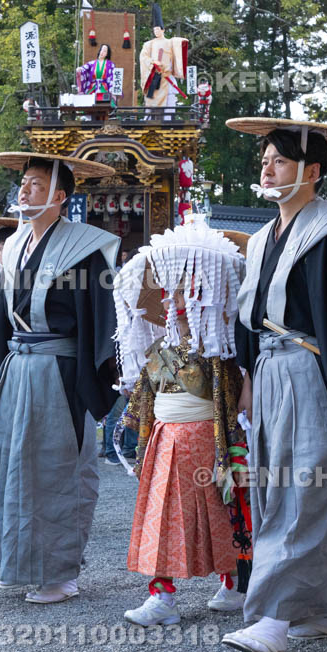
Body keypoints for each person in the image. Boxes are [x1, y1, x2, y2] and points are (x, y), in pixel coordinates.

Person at [221, 118, 327, 652]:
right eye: (265, 160)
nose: (266, 168)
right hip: (271, 372)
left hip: (314, 371)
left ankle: (273, 616)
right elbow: (251, 317)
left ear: (312, 172)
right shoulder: (265, 237)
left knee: (310, 486)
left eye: (279, 160)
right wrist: (248, 377)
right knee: (282, 486)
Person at [0, 151, 119, 604]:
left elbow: (101, 318)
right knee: (8, 465)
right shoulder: (15, 245)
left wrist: (107, 376)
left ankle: (58, 573)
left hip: (60, 371)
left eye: (35, 183)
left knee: (55, 470)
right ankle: (17, 562)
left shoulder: (87, 246)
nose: (24, 189)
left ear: (60, 196)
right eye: (23, 182)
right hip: (14, 367)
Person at [114, 221, 249, 626]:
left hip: (206, 440)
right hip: (165, 438)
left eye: (180, 289)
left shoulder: (219, 347)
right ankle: (163, 594)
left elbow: (229, 400)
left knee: (219, 512)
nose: (170, 298)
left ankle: (234, 580)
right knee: (164, 516)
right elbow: (143, 396)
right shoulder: (160, 347)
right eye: (169, 290)